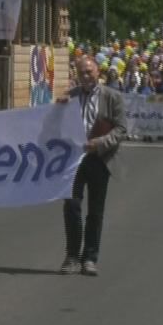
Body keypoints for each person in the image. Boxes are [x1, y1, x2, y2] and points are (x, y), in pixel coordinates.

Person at [57, 53, 125, 276]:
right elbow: (54, 124)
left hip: (99, 159)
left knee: (95, 212)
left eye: (89, 71)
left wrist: (101, 142)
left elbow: (121, 129)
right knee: (72, 206)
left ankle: (90, 258)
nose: (86, 76)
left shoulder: (112, 97)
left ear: (98, 72)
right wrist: (59, 108)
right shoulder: (71, 96)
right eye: (81, 72)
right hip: (75, 160)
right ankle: (72, 256)